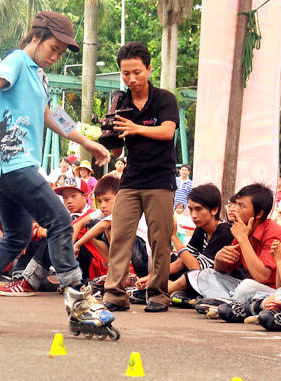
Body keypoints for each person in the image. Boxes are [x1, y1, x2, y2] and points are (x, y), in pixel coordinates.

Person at [0, 11, 117, 338]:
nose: (56, 56)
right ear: (37, 36)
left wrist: (90, 142)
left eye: (62, 53)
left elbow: (52, 116)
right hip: (10, 160)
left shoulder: (39, 77)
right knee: (60, 219)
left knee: (16, 236)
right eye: (55, 48)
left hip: (11, 168)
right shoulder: (17, 61)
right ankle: (78, 301)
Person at [102, 42, 180, 313]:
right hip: (131, 178)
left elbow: (167, 132)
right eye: (125, 74)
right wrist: (108, 134)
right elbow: (116, 149)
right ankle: (114, 292)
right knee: (120, 233)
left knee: (160, 238)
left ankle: (158, 293)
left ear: (148, 69)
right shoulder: (120, 101)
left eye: (136, 72)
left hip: (160, 178)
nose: (132, 79)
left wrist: (135, 127)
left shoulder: (164, 99)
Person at [185, 183, 280, 305]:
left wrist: (243, 239)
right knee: (205, 275)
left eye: (241, 206)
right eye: (235, 205)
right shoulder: (242, 229)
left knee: (247, 287)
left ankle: (227, 303)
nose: (235, 210)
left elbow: (262, 277)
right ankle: (230, 303)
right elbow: (225, 271)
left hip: (270, 292)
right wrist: (219, 260)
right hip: (247, 290)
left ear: (259, 213)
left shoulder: (273, 232)